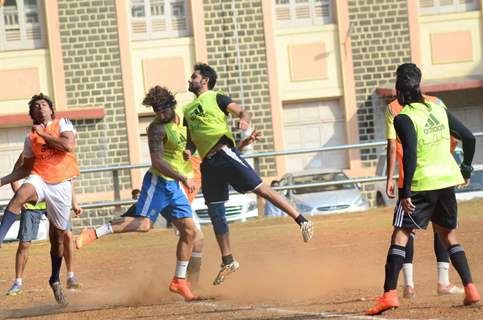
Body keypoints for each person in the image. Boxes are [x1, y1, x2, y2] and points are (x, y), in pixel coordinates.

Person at [183, 63, 313, 286]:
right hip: (208, 163)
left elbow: (242, 110)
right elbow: (191, 141)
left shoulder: (217, 97)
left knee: (261, 189)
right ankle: (228, 260)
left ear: (204, 80)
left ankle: (302, 220)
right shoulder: (187, 111)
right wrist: (187, 150)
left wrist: (243, 119)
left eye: (194, 76)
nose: (190, 79)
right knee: (216, 214)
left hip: (224, 153)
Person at [367, 63, 480, 315]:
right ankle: (471, 289)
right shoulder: (438, 109)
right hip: (445, 184)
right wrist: (466, 169)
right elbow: (470, 138)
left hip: (421, 186)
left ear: (399, 91)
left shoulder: (404, 117)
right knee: (449, 236)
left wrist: (406, 192)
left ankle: (390, 294)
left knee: (400, 235)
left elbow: (410, 157)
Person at [76, 86, 200, 301]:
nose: (160, 115)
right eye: (156, 111)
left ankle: (179, 281)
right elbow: (157, 162)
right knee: (144, 225)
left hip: (174, 186)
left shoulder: (182, 118)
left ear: (172, 106)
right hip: (158, 182)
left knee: (190, 233)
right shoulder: (156, 129)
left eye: (163, 110)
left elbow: (191, 139)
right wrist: (183, 178)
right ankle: (94, 232)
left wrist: (189, 149)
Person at [0, 93, 80, 306]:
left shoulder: (62, 123)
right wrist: (2, 181)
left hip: (61, 182)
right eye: (36, 106)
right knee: (20, 195)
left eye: (44, 104)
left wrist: (44, 134)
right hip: (40, 177)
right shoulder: (31, 137)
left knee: (58, 240)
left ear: (51, 109)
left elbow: (68, 146)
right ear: (32, 114)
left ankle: (55, 278)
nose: (40, 107)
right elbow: (25, 169)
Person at [385, 94, 463, 298]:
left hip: (410, 179)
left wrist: (389, 178)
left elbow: (393, 146)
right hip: (440, 177)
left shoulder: (393, 108)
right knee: (443, 230)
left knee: (404, 231)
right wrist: (445, 159)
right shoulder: (436, 103)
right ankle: (443, 282)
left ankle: (408, 285)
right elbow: (454, 137)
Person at [6, 154, 82, 296]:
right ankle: (18, 282)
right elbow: (15, 173)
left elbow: (69, 181)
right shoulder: (30, 150)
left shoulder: (60, 152)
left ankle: (71, 275)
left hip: (55, 201)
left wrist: (74, 203)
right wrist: (21, 197)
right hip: (33, 203)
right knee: (24, 243)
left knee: (67, 235)